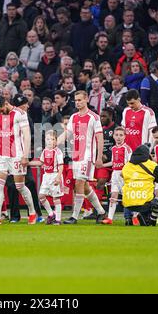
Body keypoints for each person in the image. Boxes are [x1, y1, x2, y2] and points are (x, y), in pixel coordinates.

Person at [0, 96, 38, 225]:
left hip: (17, 155)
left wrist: (25, 155)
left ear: (6, 103)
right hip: (2, 155)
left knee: (20, 186)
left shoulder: (20, 114)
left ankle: (32, 212)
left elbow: (26, 135)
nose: (1, 112)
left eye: (2, 109)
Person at [63, 91, 107, 224]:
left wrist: (99, 157)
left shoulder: (94, 117)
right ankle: (101, 212)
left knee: (79, 184)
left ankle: (74, 216)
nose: (77, 102)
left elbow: (100, 138)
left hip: (88, 156)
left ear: (86, 99)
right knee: (85, 187)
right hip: (76, 156)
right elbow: (67, 133)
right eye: (76, 100)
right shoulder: (74, 117)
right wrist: (54, 142)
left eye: (80, 100)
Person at [121, 144, 158, 226]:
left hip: (128, 204)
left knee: (127, 195)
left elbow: (122, 175)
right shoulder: (151, 165)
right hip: (145, 203)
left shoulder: (126, 166)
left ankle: (128, 219)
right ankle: (152, 220)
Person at [30, 130, 64, 225]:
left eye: (52, 139)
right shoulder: (44, 151)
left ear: (56, 141)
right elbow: (41, 163)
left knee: (56, 198)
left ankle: (58, 219)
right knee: (41, 196)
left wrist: (58, 177)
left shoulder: (58, 152)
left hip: (55, 175)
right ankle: (51, 213)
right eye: (48, 139)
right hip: (46, 176)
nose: (50, 141)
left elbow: (61, 165)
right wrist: (28, 163)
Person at [102, 126, 132, 225]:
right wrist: (102, 165)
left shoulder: (127, 148)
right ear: (113, 136)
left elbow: (130, 163)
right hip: (115, 174)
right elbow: (113, 162)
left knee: (127, 197)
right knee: (113, 195)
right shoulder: (114, 148)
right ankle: (110, 218)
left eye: (121, 135)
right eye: (116, 135)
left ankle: (133, 216)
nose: (118, 137)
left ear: (125, 136)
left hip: (124, 175)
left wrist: (126, 173)